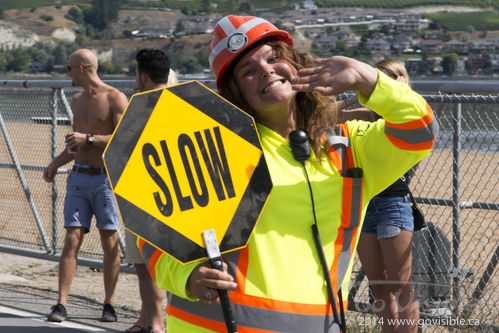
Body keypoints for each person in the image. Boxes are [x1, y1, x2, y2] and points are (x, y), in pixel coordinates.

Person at [137, 15, 438, 332]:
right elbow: (152, 232)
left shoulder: (351, 146)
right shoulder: (212, 148)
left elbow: (421, 130)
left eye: (273, 57)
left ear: (296, 64)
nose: (266, 70)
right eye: (249, 71)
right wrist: (187, 277)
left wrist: (369, 79)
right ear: (235, 92)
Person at [43, 48, 128, 323]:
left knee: (110, 240)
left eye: (69, 68)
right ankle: (61, 304)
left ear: (81, 68)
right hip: (79, 175)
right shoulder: (77, 100)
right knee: (72, 238)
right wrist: (55, 163)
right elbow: (75, 145)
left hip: (105, 178)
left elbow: (125, 140)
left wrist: (88, 139)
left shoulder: (115, 98)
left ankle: (109, 304)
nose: (67, 73)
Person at [339, 59, 420, 332]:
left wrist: (398, 92)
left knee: (400, 285)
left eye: (390, 79)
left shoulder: (409, 118)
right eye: (380, 79)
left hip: (393, 204)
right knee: (379, 287)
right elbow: (334, 118)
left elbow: (398, 118)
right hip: (364, 202)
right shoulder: (370, 115)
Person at [124, 48, 178, 333]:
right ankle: (161, 322)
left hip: (145, 198)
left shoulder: (140, 106)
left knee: (145, 266)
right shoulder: (184, 103)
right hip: (180, 198)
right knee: (176, 262)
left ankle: (155, 324)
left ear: (142, 76)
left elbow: (126, 152)